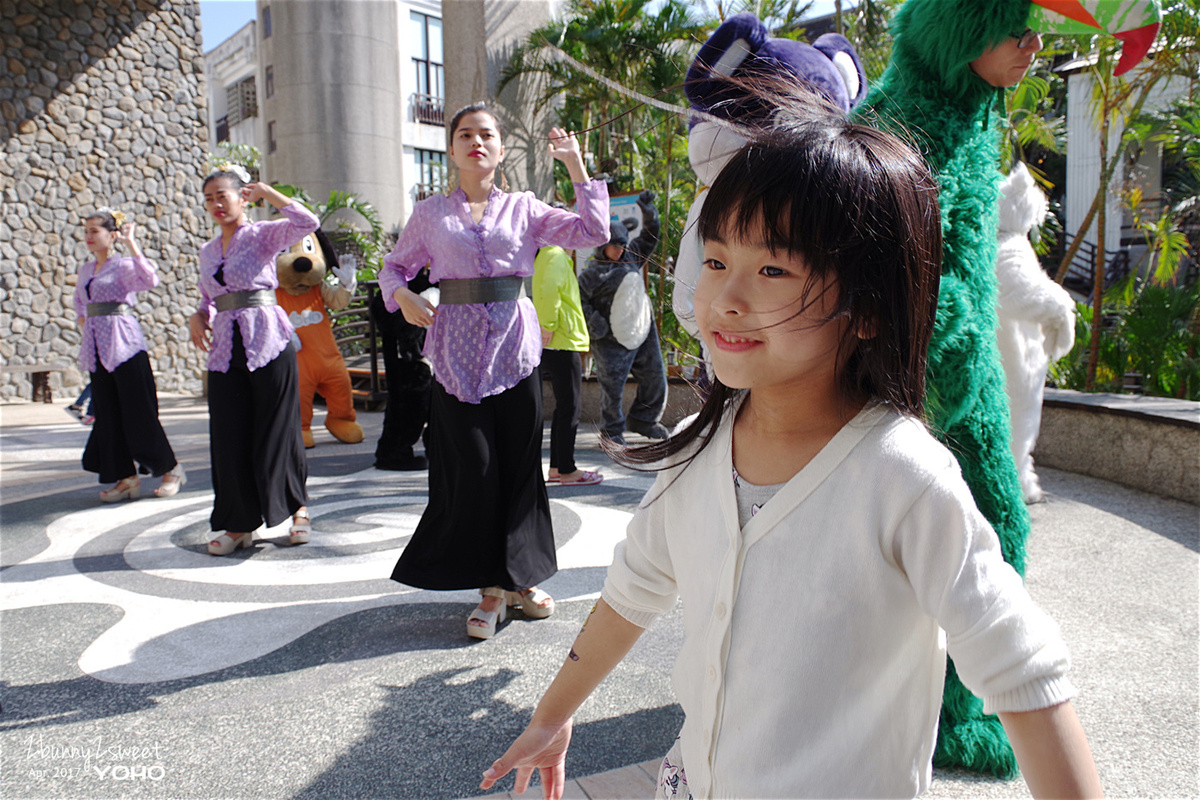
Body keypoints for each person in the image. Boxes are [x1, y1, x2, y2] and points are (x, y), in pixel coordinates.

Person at [479, 110, 1103, 799]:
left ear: (868, 308)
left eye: (772, 268)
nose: (725, 298)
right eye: (716, 261)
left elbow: (1024, 673)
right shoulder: (699, 456)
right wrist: (553, 715)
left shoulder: (904, 480)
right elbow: (630, 594)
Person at [379, 102, 609, 640]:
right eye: (465, 134)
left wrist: (575, 164)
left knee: (521, 466)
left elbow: (593, 231)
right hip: (455, 358)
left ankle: (520, 582)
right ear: (452, 148)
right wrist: (403, 295)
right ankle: (490, 587)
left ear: (501, 149)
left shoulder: (526, 208)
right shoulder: (430, 214)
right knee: (475, 470)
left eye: (486, 135)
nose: (476, 142)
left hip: (515, 351)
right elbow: (393, 268)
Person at [188, 165, 318, 556]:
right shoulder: (207, 251)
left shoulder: (262, 234)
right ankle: (238, 522)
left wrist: (270, 192)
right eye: (208, 198)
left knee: (278, 428)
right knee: (228, 433)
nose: (215, 204)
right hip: (226, 348)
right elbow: (208, 297)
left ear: (242, 197)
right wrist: (197, 315)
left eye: (222, 195)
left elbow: (306, 221)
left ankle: (298, 509)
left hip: (268, 340)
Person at [74, 208, 183, 502]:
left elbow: (149, 280)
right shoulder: (85, 270)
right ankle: (127, 477)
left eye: (95, 231)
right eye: (86, 231)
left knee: (139, 411)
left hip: (125, 345)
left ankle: (170, 469)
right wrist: (85, 324)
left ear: (112, 235)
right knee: (107, 414)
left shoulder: (122, 265)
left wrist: (131, 244)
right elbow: (78, 303)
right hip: (97, 347)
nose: (89, 236)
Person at [577, 190, 669, 444]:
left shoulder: (631, 257)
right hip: (609, 339)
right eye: (614, 246)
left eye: (622, 245)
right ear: (603, 245)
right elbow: (579, 301)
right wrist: (597, 325)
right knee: (612, 389)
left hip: (641, 330)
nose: (619, 250)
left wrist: (648, 210)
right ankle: (612, 431)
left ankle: (644, 419)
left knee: (655, 378)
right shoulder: (591, 274)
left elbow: (651, 236)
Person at [532, 244, 601, 487]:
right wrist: (548, 325)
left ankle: (557, 468)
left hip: (556, 339)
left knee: (563, 408)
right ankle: (567, 469)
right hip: (562, 339)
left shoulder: (544, 255)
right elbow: (549, 290)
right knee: (570, 407)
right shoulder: (556, 255)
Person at [370, 269, 434, 471]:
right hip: (406, 356)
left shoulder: (433, 275)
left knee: (437, 407)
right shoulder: (397, 276)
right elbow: (382, 310)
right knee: (407, 407)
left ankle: (437, 449)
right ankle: (393, 453)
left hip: (431, 354)